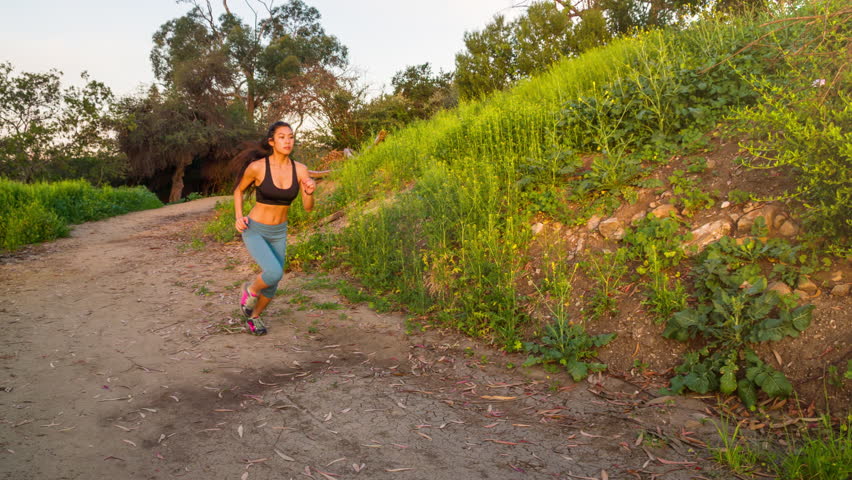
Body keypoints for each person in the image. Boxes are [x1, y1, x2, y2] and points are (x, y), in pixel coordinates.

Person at [232, 121, 316, 335]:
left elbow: (308, 208)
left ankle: (254, 316)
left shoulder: (300, 169)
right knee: (273, 272)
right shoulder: (258, 167)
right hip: (255, 229)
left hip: (279, 232)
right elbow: (238, 191)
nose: (288, 141)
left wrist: (309, 191)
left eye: (291, 137)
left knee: (274, 282)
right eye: (282, 137)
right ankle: (249, 291)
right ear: (271, 141)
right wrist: (239, 216)